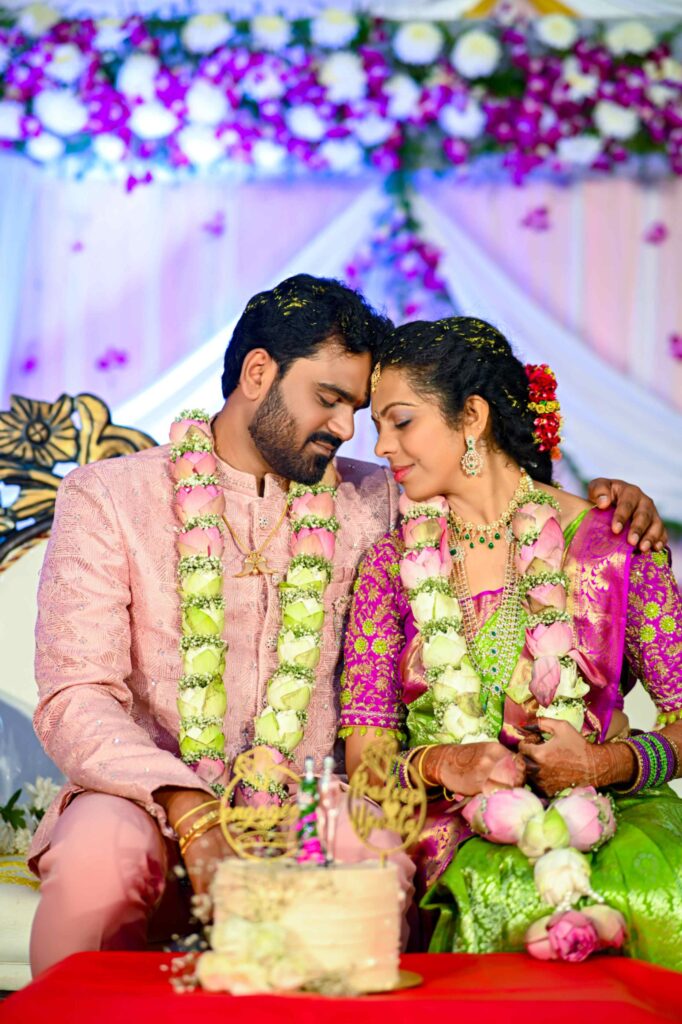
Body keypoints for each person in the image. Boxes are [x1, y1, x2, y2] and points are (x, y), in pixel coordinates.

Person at [29, 277, 664, 976]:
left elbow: (495, 493)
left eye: (357, 409)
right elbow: (75, 696)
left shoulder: (379, 494)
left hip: (321, 805)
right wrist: (188, 805)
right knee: (98, 862)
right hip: (146, 801)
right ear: (258, 373)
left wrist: (617, 504)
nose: (346, 429)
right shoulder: (110, 497)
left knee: (378, 871)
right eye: (328, 400)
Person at [341, 316, 682, 969]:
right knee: (495, 893)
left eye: (400, 421)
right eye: (377, 426)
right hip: (448, 826)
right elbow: (367, 760)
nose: (382, 446)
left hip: (609, 813)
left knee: (658, 892)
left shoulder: (611, 546)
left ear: (472, 416)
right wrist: (443, 764)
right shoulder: (389, 567)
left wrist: (608, 766)